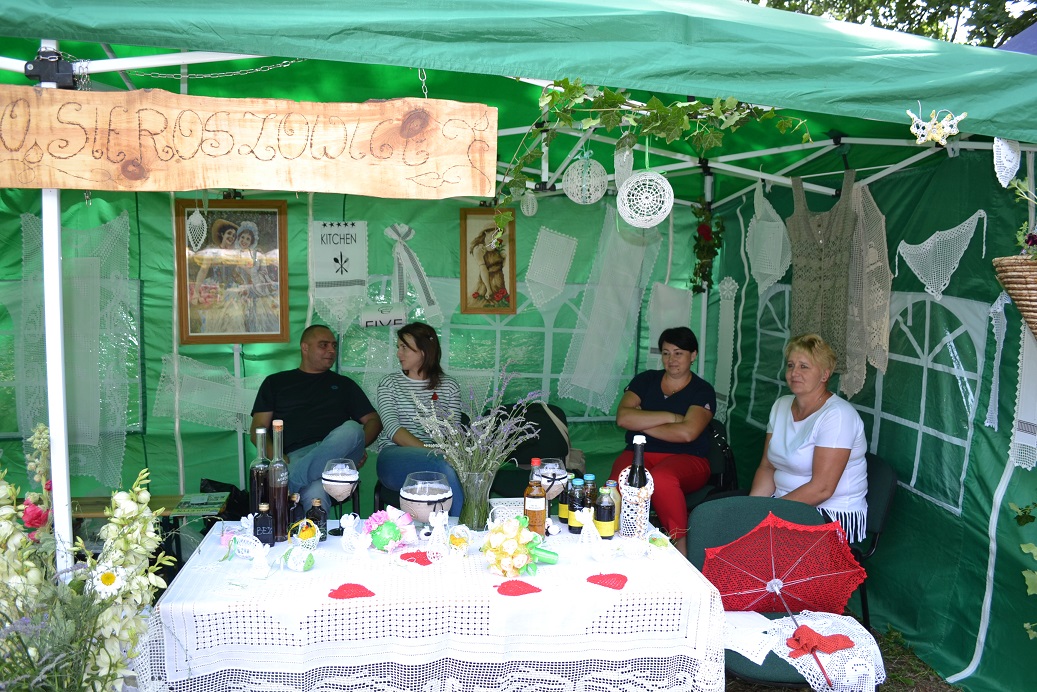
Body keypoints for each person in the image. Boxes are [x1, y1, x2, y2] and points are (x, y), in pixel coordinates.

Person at [749, 333, 868, 543]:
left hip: (829, 513)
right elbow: (767, 467)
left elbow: (822, 489)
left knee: (758, 549)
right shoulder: (781, 405)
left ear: (824, 375)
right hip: (783, 503)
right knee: (737, 534)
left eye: (804, 366)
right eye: (791, 365)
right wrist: (751, 511)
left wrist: (769, 517)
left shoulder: (838, 416)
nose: (794, 372)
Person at [609, 326, 715, 557]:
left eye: (678, 353)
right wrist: (672, 417)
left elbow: (687, 433)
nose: (671, 359)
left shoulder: (702, 390)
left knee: (662, 479)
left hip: (688, 458)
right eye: (666, 353)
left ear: (693, 355)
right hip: (639, 453)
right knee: (619, 481)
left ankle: (681, 548)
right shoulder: (646, 380)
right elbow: (623, 418)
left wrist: (641, 422)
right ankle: (620, 542)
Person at [250, 324, 382, 509]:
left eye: (333, 346)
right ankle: (297, 493)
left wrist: (357, 445)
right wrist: (277, 458)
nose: (331, 350)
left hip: (337, 459)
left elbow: (374, 420)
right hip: (294, 457)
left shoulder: (344, 385)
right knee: (316, 495)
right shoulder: (276, 383)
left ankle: (287, 485)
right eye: (324, 345)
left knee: (352, 429)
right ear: (305, 347)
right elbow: (258, 429)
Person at [374, 322, 465, 517]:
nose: (398, 353)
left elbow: (453, 433)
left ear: (424, 350)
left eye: (404, 347)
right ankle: (462, 527)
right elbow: (393, 429)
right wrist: (433, 453)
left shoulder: (449, 386)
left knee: (455, 469)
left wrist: (444, 453)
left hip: (440, 458)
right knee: (444, 466)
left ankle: (458, 529)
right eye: (398, 347)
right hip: (394, 456)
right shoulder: (389, 383)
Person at [469, 226, 508, 305]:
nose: (496, 237)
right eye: (494, 233)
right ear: (486, 232)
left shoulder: (495, 246)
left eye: (498, 234)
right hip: (488, 282)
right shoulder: (479, 249)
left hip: (500, 281)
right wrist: (488, 289)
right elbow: (483, 269)